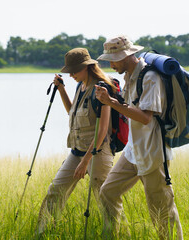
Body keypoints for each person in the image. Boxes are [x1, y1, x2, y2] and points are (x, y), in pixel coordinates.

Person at [95, 36, 183, 239]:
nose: (110, 64)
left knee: (162, 213)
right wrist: (110, 98)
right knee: (107, 192)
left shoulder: (151, 77)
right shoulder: (129, 76)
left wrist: (111, 102)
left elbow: (145, 117)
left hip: (153, 154)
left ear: (125, 56)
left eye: (113, 59)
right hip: (133, 151)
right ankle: (118, 234)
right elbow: (130, 108)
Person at [36, 48, 116, 234]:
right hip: (77, 151)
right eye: (69, 71)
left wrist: (86, 161)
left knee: (104, 199)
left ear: (87, 67)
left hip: (97, 153)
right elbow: (72, 112)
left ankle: (115, 235)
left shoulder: (102, 88)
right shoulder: (80, 86)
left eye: (74, 70)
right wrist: (61, 89)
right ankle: (41, 233)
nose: (70, 74)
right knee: (55, 191)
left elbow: (103, 130)